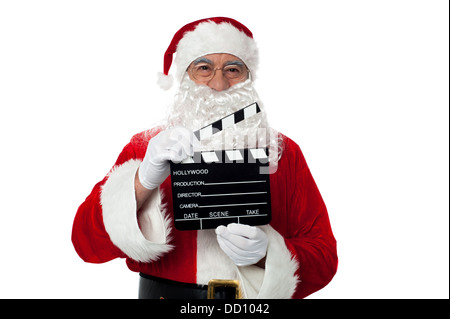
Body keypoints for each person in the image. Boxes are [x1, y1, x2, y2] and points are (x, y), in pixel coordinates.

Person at [72, 17, 338, 299]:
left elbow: (324, 258)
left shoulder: (284, 153)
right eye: (204, 68)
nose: (219, 83)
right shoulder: (146, 149)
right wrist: (142, 180)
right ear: (186, 76)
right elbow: (85, 243)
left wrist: (269, 255)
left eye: (233, 69)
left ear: (248, 78)